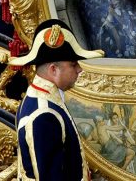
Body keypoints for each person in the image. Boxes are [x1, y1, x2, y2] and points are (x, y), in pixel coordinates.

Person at [11, 18, 104, 180]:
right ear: (54, 70)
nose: (80, 69)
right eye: (74, 64)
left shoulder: (42, 97)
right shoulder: (44, 114)